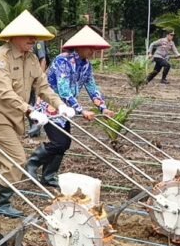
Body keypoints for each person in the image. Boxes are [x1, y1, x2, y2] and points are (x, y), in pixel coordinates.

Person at [0, 11, 71, 218]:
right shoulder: (0, 57)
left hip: (12, 117)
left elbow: (43, 87)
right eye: (28, 36)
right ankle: (3, 204)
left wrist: (60, 105)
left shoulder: (32, 59)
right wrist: (31, 110)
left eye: (35, 37)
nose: (33, 40)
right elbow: (4, 92)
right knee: (16, 158)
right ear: (14, 37)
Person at [25, 26, 115, 187]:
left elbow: (92, 88)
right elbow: (64, 90)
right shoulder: (63, 60)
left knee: (64, 143)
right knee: (60, 142)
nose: (93, 51)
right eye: (90, 47)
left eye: (94, 48)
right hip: (50, 106)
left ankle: (49, 175)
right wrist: (81, 110)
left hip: (66, 110)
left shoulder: (86, 66)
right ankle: (32, 163)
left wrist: (103, 108)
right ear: (79, 46)